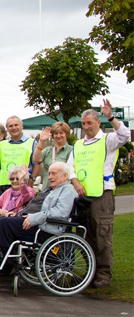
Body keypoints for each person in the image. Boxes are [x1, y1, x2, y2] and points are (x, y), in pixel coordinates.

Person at [67, 100, 130, 288]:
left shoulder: (107, 141)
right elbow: (70, 167)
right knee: (85, 235)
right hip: (82, 196)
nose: (86, 127)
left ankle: (104, 273)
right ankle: (90, 271)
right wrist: (75, 182)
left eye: (90, 123)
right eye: (84, 123)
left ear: (98, 123)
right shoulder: (78, 145)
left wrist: (111, 117)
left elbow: (125, 135)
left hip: (102, 195)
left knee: (102, 234)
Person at [0, 162, 77, 273]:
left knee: (5, 223)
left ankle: (6, 262)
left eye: (54, 174)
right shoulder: (53, 190)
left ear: (65, 176)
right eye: (49, 173)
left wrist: (33, 218)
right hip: (39, 223)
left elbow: (60, 212)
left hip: (48, 229)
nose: (50, 177)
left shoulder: (68, 190)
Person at [0, 115, 37, 189]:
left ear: (22, 126)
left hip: (23, 184)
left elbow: (36, 164)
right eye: (10, 126)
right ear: (7, 129)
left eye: (16, 125)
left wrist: (31, 181)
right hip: (4, 185)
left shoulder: (32, 143)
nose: (14, 128)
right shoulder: (1, 144)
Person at [32, 122, 72, 191]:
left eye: (61, 133)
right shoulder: (48, 150)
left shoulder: (71, 150)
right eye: (56, 133)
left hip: (63, 191)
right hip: (47, 190)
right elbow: (36, 159)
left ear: (66, 134)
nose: (58, 136)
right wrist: (41, 141)